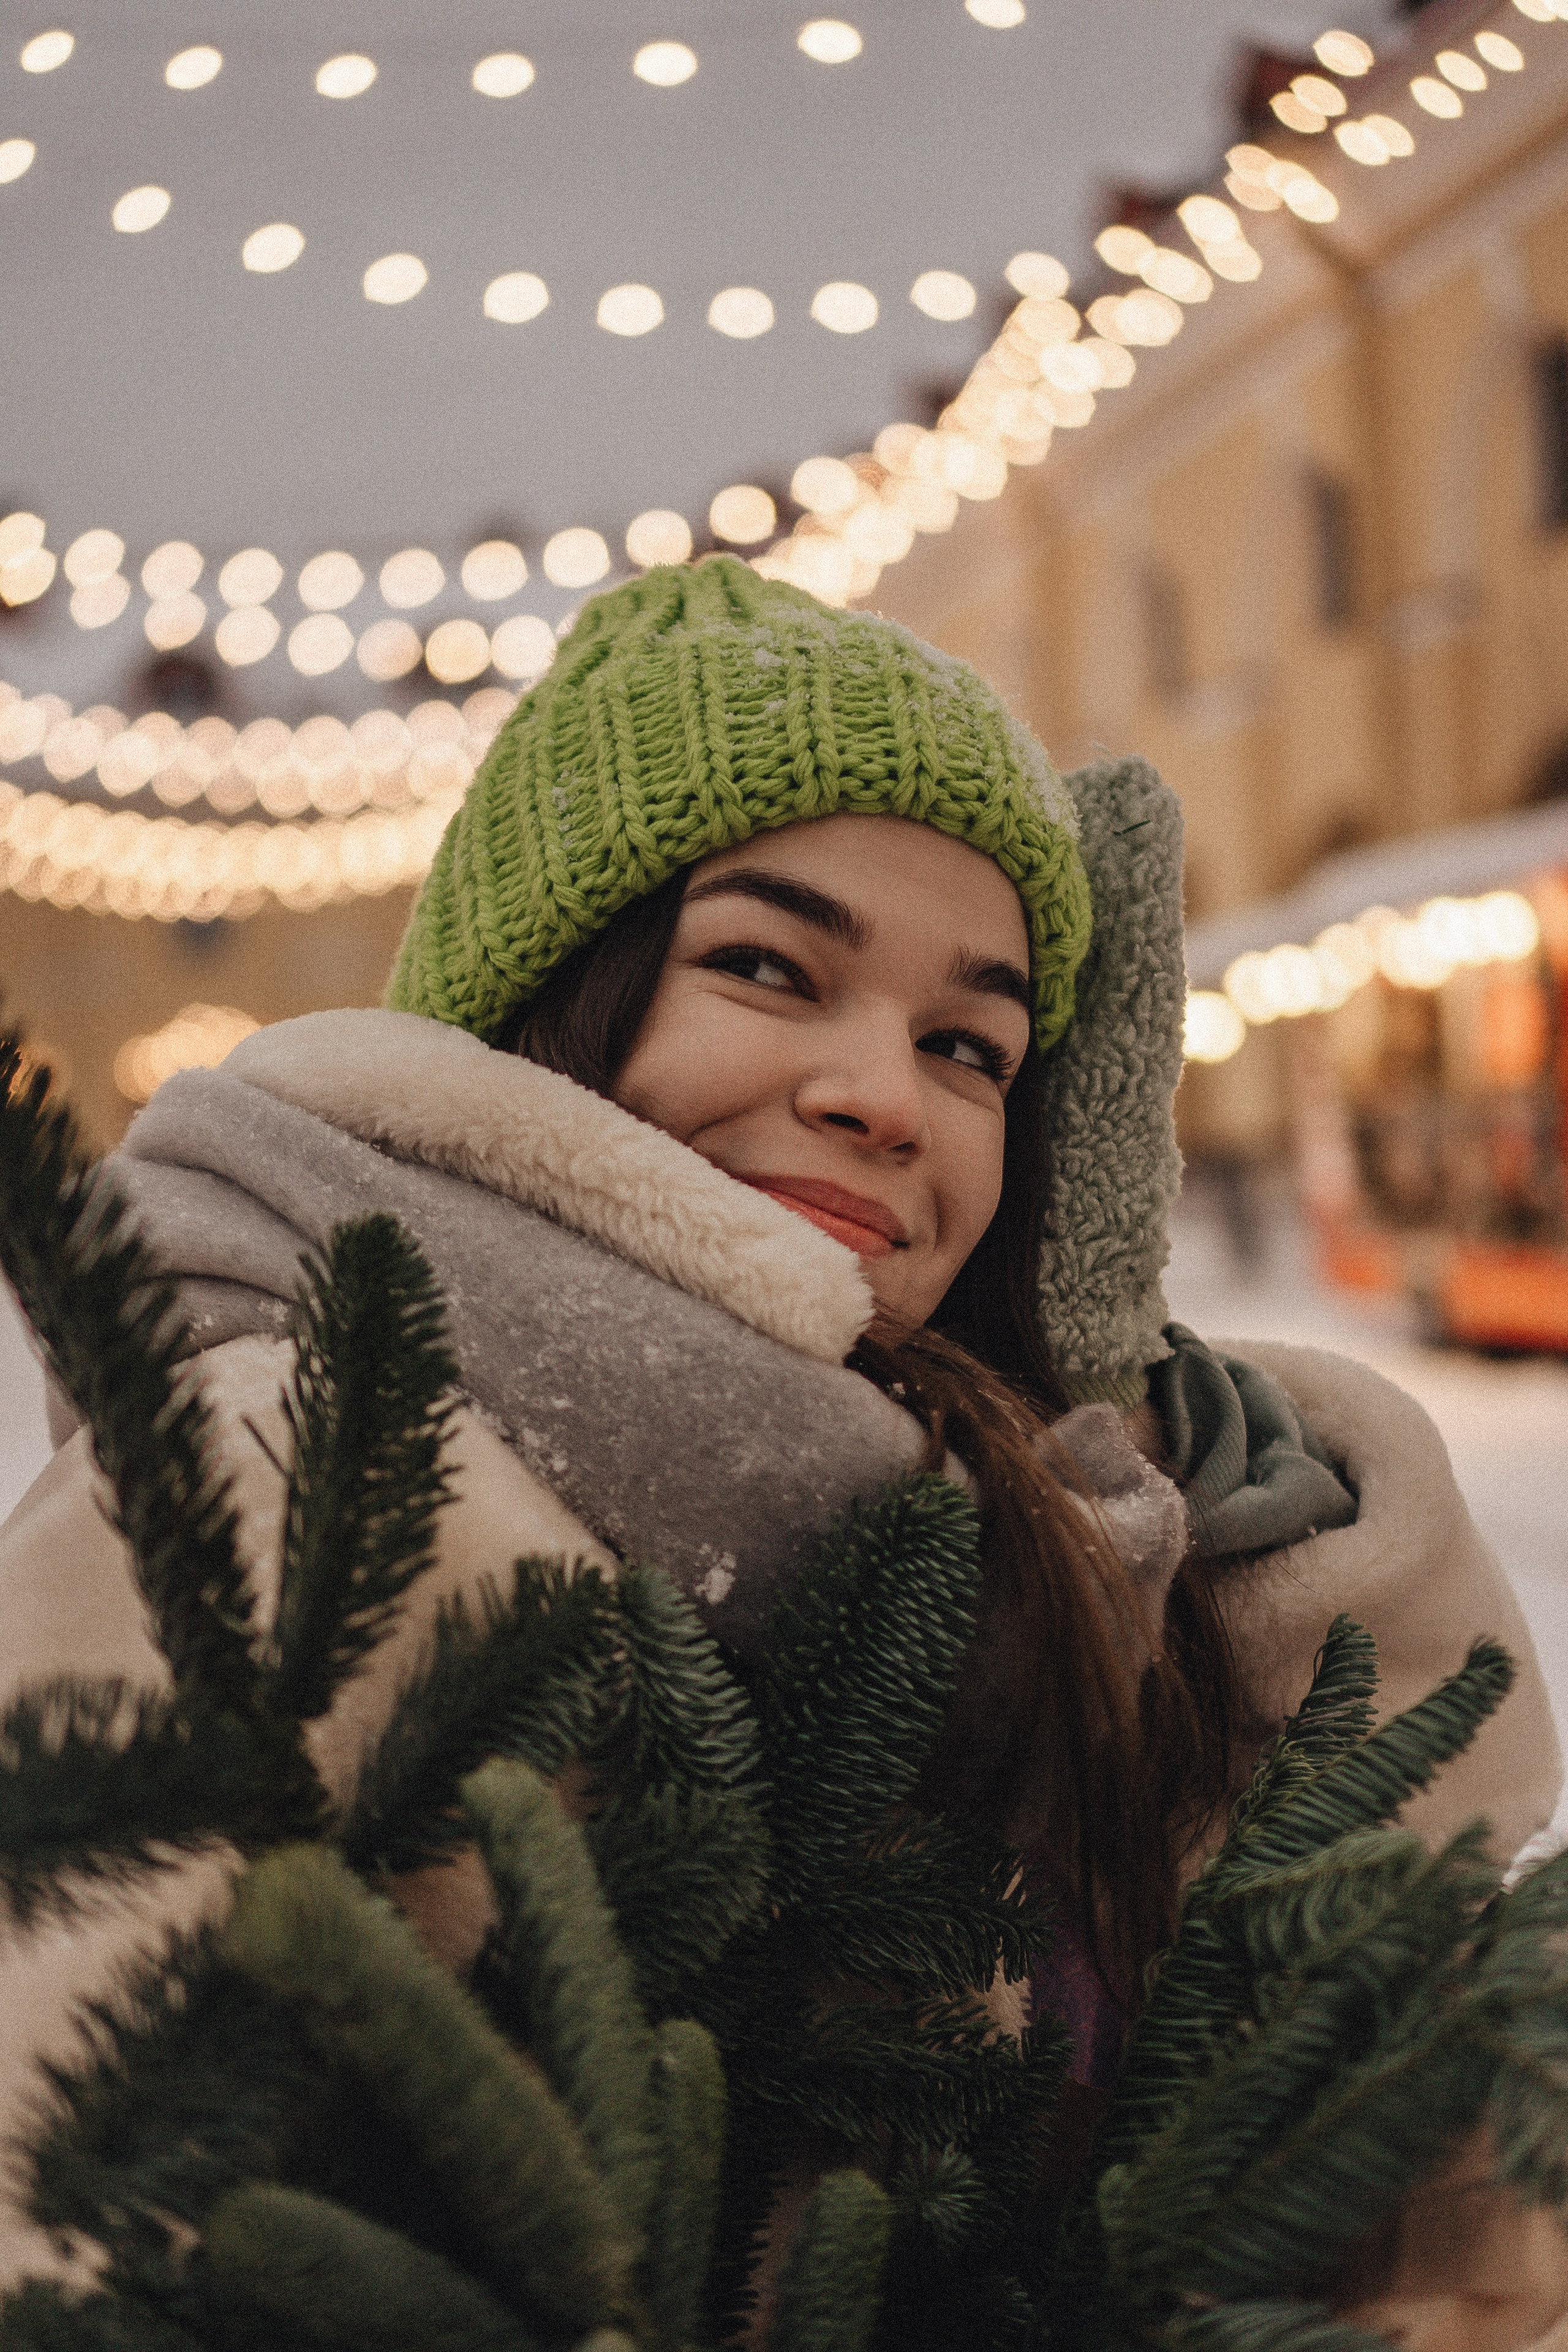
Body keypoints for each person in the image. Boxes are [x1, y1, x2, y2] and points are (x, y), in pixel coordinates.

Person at [0, 557, 1558, 2312]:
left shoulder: (1065, 1528)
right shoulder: (303, 1471)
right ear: (548, 1004)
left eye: (972, 1045)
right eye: (765, 964)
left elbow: (1411, 2168)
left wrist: (1222, 1567)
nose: (887, 1096)